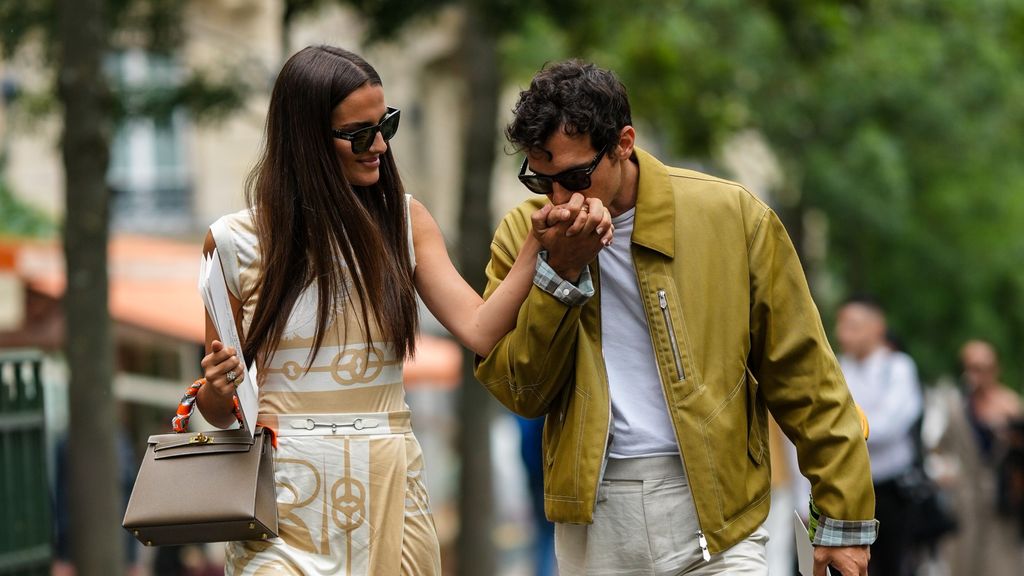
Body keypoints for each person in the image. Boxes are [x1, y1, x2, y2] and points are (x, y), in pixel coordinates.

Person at [195, 46, 613, 575]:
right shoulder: (232, 242)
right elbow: (215, 410)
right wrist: (217, 389)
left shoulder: (404, 220)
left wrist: (537, 247)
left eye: (385, 123)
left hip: (389, 485)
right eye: (359, 133)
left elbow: (482, 330)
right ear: (304, 139)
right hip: (283, 500)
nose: (379, 146)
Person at [475, 60, 877, 576]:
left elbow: (804, 373)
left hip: (718, 509)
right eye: (540, 179)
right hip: (593, 518)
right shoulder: (525, 236)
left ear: (623, 142)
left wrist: (843, 516)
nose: (560, 197)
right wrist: (562, 272)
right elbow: (521, 392)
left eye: (576, 176)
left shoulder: (731, 216)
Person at [835, 296, 922, 576]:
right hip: (846, 493)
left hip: (889, 491)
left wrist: (840, 432)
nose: (842, 334)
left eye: (853, 326)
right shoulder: (835, 368)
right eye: (841, 325)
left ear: (876, 327)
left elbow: (890, 424)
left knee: (892, 564)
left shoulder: (897, 367)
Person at [931, 340, 1023, 574]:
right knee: (963, 564)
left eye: (982, 368)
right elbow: (939, 447)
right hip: (965, 501)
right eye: (971, 367)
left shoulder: (1011, 405)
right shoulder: (958, 407)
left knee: (1001, 565)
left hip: (1002, 502)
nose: (976, 375)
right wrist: (945, 472)